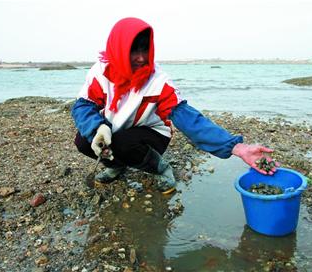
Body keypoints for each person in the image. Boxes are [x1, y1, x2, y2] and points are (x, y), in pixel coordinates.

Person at [72, 17, 276, 195]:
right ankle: (116, 165)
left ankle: (161, 168)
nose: (142, 57)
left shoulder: (158, 81)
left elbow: (187, 117)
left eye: (145, 49)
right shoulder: (100, 72)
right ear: (118, 48)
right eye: (134, 49)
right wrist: (98, 128)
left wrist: (236, 147)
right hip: (116, 130)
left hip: (153, 133)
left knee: (123, 142)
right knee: (83, 140)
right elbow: (83, 106)